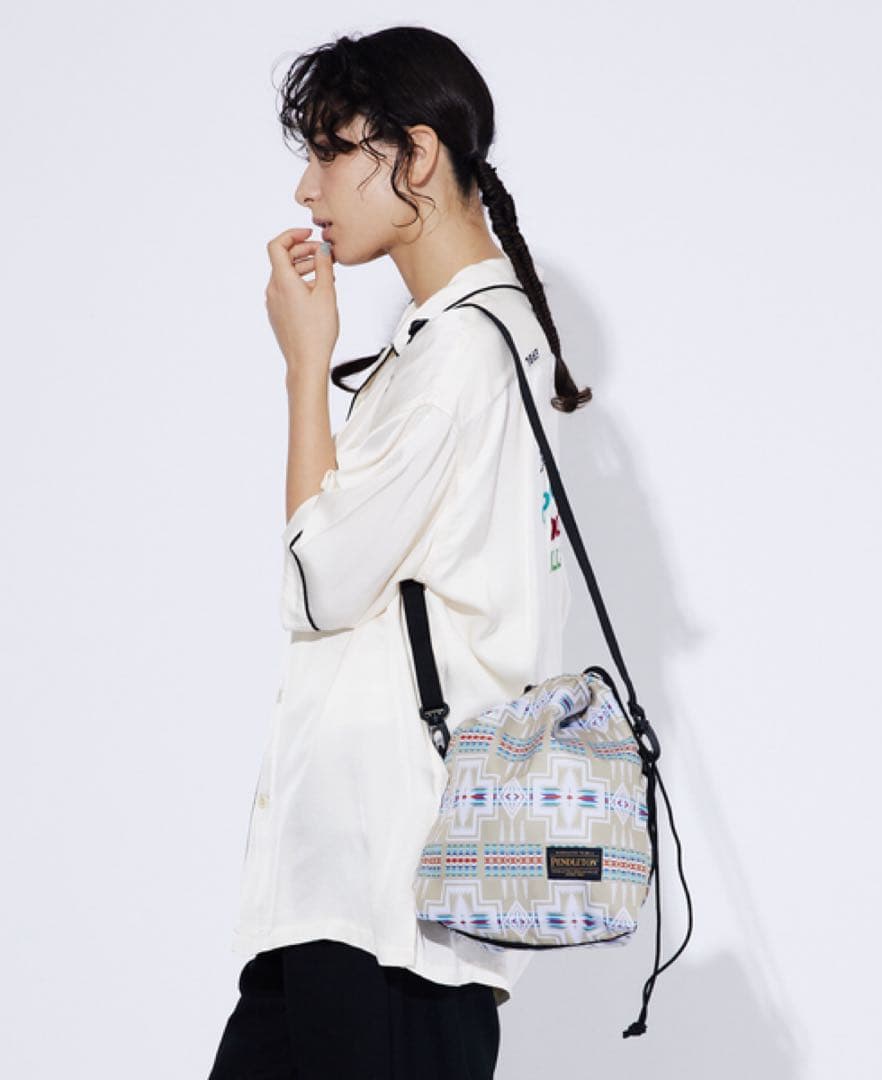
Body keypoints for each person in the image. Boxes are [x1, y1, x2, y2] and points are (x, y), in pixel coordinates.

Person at [207, 24, 591, 1080]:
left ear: (416, 155)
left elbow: (317, 583)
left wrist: (305, 366)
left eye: (333, 151)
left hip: (386, 901)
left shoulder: (461, 355)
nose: (307, 188)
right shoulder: (475, 341)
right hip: (363, 898)